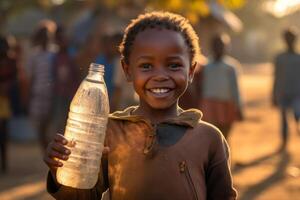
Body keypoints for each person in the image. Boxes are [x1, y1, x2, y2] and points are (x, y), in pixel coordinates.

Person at [44, 11, 237, 200]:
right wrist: (59, 172)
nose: (160, 75)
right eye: (146, 66)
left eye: (173, 65)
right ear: (127, 70)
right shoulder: (109, 132)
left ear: (191, 71)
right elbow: (82, 195)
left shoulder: (208, 138)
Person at [201, 33, 243, 139]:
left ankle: (224, 155)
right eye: (216, 45)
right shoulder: (205, 66)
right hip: (209, 105)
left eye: (221, 45)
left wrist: (239, 107)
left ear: (226, 47)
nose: (218, 48)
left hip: (227, 104)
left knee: (225, 136)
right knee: (212, 136)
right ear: (212, 47)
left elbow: (235, 89)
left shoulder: (231, 67)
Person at [25, 20, 57, 152]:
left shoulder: (55, 53)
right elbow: (30, 78)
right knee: (40, 128)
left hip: (52, 96)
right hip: (38, 95)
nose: (45, 37)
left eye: (48, 34)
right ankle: (46, 151)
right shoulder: (34, 55)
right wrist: (27, 97)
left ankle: (49, 152)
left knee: (50, 126)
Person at [272, 28, 300, 150]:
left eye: (291, 38)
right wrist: (273, 94)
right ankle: (284, 143)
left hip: (297, 94)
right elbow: (276, 76)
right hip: (283, 93)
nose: (290, 41)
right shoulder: (279, 58)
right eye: (287, 38)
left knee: (297, 116)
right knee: (283, 119)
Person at [51, 25, 80, 133]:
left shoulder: (73, 55)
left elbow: (78, 74)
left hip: (72, 95)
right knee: (60, 122)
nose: (62, 41)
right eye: (59, 38)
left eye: (64, 38)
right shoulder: (54, 56)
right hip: (59, 94)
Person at [0, 35, 17, 173]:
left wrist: (7, 86)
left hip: (4, 101)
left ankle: (4, 163)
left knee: (3, 133)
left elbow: (14, 79)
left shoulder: (12, 61)